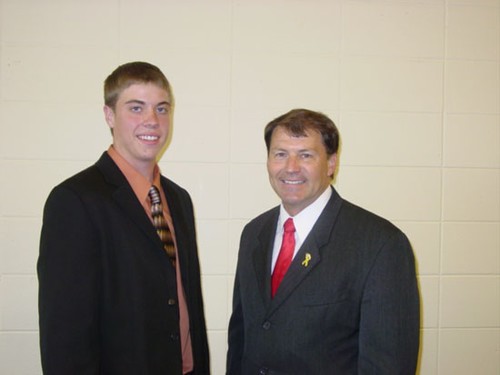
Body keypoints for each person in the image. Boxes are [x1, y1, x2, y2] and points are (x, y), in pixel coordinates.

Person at [38, 61, 210, 374]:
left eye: (161, 109)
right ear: (109, 115)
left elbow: (187, 304)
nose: (152, 121)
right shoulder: (75, 200)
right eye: (136, 108)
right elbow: (64, 334)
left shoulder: (178, 199)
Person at [226, 109, 420, 374]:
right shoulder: (253, 234)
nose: (291, 167)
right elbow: (240, 340)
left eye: (305, 155)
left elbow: (388, 366)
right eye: (280, 154)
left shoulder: (380, 245)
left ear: (331, 163)